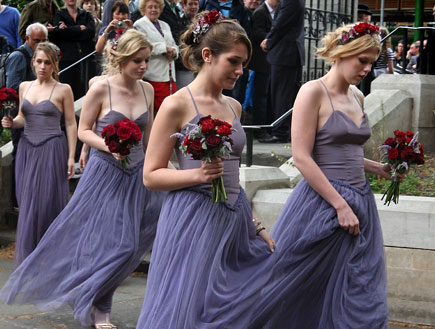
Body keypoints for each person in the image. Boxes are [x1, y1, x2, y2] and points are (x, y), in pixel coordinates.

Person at [0, 29, 165, 329]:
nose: (143, 66)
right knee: (113, 243)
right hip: (105, 173)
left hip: (135, 174)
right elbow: (85, 128)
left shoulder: (148, 90)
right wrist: (109, 146)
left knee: (130, 244)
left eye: (146, 60)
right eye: (137, 61)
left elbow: (150, 133)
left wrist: (155, 164)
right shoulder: (101, 88)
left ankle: (91, 292)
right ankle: (100, 307)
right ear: (121, 59)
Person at [250, 22, 395, 328]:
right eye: (363, 60)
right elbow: (301, 157)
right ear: (342, 54)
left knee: (357, 287)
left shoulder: (357, 96)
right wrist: (340, 205)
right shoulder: (312, 92)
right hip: (323, 205)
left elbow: (350, 154)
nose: (368, 69)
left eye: (372, 62)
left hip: (361, 203)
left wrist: (379, 169)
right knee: (296, 285)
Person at [137, 12, 274, 328]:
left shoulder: (234, 106)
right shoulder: (176, 104)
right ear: (208, 55)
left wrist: (256, 225)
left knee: (243, 298)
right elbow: (151, 175)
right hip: (192, 218)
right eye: (234, 62)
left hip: (234, 217)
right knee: (190, 306)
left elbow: (233, 175)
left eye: (244, 64)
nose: (240, 71)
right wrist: (196, 175)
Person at [1, 41, 77, 266]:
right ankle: (31, 258)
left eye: (48, 62)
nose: (43, 66)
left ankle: (50, 257)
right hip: (26, 148)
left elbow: (71, 124)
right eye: (39, 61)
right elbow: (23, 119)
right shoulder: (25, 86)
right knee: (27, 203)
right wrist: (11, 122)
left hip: (51, 148)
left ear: (55, 64)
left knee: (46, 202)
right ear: (33, 62)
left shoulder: (64, 89)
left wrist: (71, 156)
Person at [259, 0, 304, 143]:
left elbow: (281, 23)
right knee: (283, 94)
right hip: (286, 53)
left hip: (285, 53)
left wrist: (269, 41)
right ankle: (283, 130)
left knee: (281, 94)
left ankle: (281, 132)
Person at [134, 0, 179, 112]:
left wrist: (174, 51)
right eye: (150, 7)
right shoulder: (139, 25)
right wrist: (164, 48)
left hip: (170, 76)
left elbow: (174, 44)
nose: (154, 10)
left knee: (173, 108)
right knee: (160, 111)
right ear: (144, 9)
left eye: (156, 7)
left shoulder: (165, 25)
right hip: (154, 76)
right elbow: (142, 46)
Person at [52, 0, 96, 100]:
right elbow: (58, 33)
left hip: (86, 59)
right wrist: (79, 28)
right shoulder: (59, 14)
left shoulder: (86, 15)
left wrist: (68, 30)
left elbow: (91, 32)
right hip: (67, 60)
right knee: (68, 93)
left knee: (87, 92)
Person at [248, 0, 278, 138]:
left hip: (269, 62)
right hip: (261, 63)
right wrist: (273, 38)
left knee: (267, 96)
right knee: (260, 97)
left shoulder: (276, 12)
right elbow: (257, 33)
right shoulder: (260, 12)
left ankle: (267, 127)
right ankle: (259, 130)